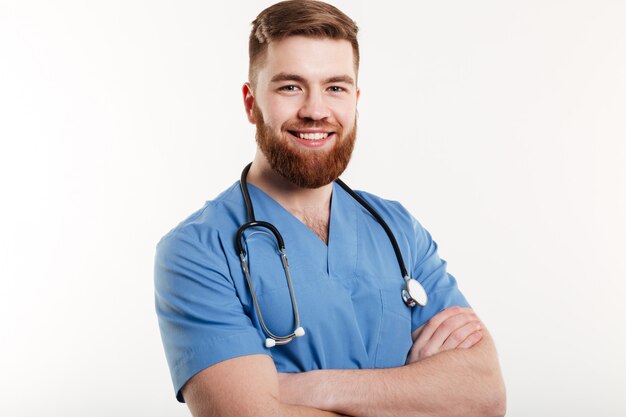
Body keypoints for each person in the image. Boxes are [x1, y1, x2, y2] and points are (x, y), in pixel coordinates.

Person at [154, 1, 506, 416]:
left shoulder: (398, 230)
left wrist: (303, 389)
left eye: (335, 87)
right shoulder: (198, 251)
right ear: (251, 103)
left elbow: (484, 396)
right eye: (290, 87)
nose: (316, 110)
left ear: (356, 100)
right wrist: (417, 393)